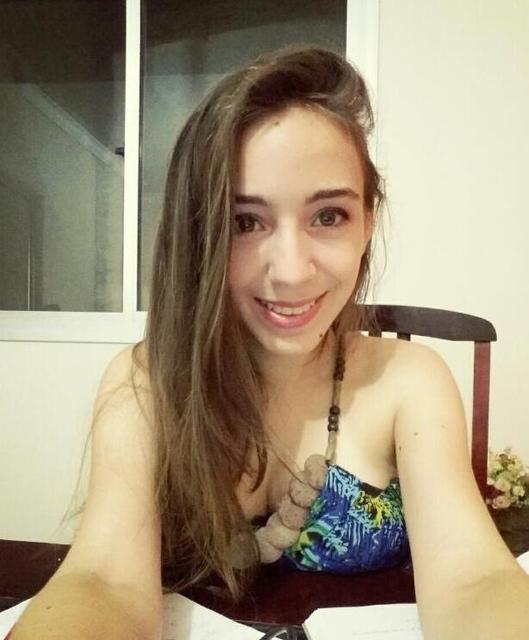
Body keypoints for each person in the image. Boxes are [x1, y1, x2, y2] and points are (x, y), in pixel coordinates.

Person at [10, 44, 529, 640]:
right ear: (198, 234)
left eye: (328, 216)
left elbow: (473, 579)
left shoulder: (411, 381)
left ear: (367, 221)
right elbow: (103, 581)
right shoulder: (147, 384)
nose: (291, 271)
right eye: (245, 222)